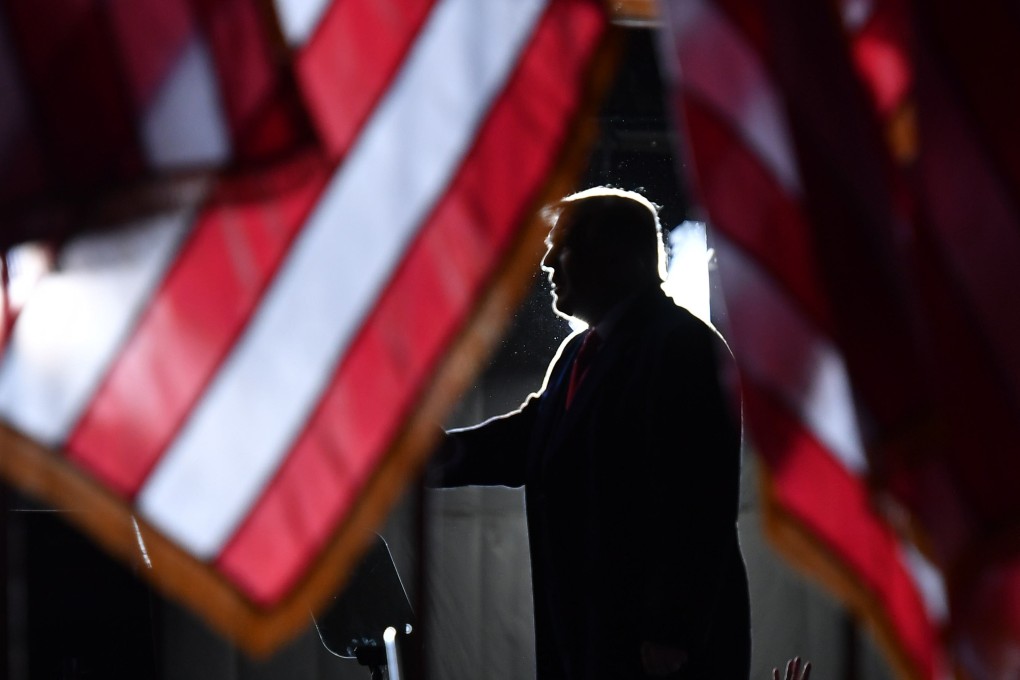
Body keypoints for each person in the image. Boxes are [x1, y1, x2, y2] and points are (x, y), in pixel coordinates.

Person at [431, 187, 750, 679]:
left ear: (618, 256)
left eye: (564, 246)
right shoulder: (579, 354)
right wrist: (420, 459)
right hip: (593, 646)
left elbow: (698, 504)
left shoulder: (684, 348)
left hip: (656, 657)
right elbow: (525, 443)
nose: (548, 263)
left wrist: (672, 633)